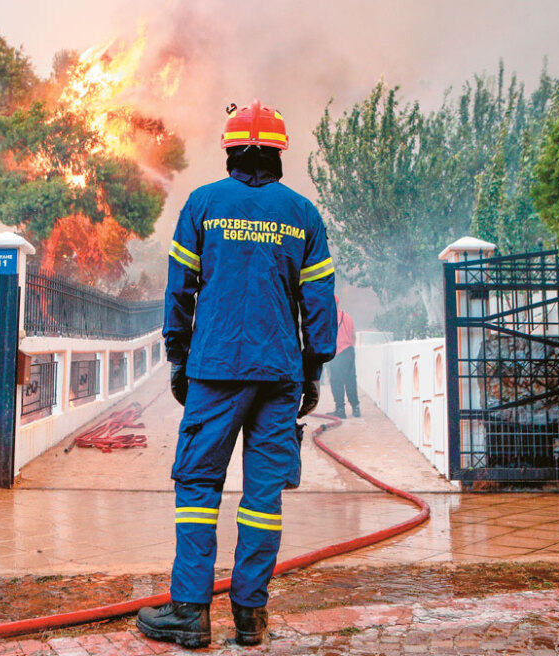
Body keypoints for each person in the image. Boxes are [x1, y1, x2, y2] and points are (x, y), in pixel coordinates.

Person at [136, 100, 337, 648]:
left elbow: (181, 289)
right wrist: (313, 367)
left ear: (228, 150)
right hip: (279, 375)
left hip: (215, 370)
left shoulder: (202, 204)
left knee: (199, 487)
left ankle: (190, 614)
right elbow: (318, 302)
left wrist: (178, 355)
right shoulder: (303, 215)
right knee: (263, 498)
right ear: (278, 153)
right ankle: (251, 618)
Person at [327, 301, 360, 418]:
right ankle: (356, 407)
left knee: (336, 381)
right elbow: (353, 336)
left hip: (336, 353)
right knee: (350, 379)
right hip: (349, 352)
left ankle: (340, 409)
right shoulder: (348, 317)